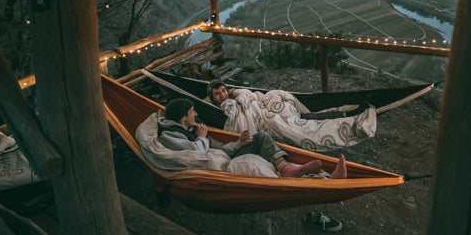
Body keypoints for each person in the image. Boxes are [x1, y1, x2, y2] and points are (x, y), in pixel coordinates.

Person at [158, 98, 347, 179]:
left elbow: (213, 152)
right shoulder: (170, 136)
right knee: (262, 140)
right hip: (220, 166)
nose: (196, 114)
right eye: (192, 112)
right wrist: (202, 137)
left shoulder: (184, 129)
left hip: (224, 155)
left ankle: (287, 168)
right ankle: (325, 179)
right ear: (183, 117)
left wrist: (237, 144)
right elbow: (198, 155)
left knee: (262, 137)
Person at [205, 79, 370, 119]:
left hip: (268, 102)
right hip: (269, 115)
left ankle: (350, 111)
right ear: (213, 97)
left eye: (224, 91)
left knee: (281, 95)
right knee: (310, 119)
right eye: (218, 94)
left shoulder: (233, 95)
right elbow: (239, 110)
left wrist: (237, 94)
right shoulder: (224, 105)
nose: (223, 95)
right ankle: (350, 113)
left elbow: (254, 95)